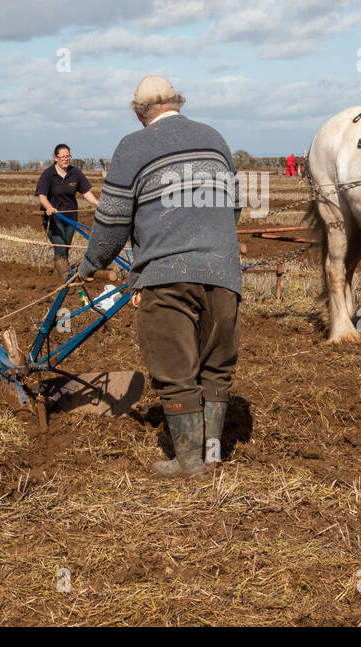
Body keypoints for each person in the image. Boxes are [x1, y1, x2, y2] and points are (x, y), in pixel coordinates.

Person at [78, 76, 242, 477]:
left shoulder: (133, 147)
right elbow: (233, 208)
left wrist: (88, 265)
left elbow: (112, 222)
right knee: (216, 367)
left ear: (139, 113)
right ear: (178, 103)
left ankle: (189, 464)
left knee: (175, 369)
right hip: (224, 273)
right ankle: (214, 456)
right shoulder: (215, 138)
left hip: (167, 275)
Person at [35, 144, 99, 273]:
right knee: (60, 248)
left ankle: (60, 273)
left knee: (66, 248)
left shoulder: (75, 173)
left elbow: (86, 192)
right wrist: (49, 208)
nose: (66, 159)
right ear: (56, 158)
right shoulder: (48, 175)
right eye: (62, 156)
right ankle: (64, 278)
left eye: (68, 156)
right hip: (53, 218)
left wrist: (99, 205)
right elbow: (42, 197)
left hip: (71, 218)